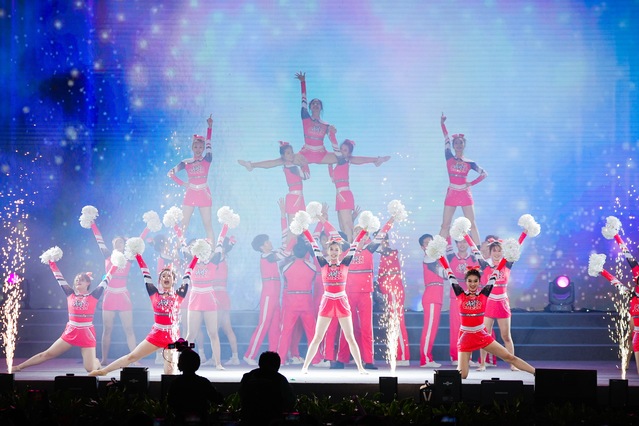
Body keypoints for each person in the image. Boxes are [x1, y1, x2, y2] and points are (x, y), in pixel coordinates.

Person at [89, 242, 196, 376]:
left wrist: (196, 257)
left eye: (169, 276)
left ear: (174, 280)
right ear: (159, 281)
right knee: (132, 357)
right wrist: (138, 256)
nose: (166, 277)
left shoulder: (179, 295)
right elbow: (145, 272)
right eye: (163, 276)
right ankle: (103, 371)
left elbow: (188, 274)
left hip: (172, 336)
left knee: (170, 374)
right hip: (156, 334)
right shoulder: (154, 293)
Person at [14, 249, 121, 372]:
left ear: (88, 283)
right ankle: (19, 367)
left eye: (81, 280)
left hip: (87, 333)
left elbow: (106, 280)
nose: (78, 281)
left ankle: (95, 362)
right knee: (47, 354)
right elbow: (59, 277)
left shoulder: (94, 295)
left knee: (90, 369)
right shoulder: (70, 293)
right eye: (76, 280)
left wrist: (115, 265)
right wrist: (51, 262)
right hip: (71, 331)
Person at [299, 218, 368, 374]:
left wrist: (364, 230)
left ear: (340, 251)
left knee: (350, 337)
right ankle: (305, 367)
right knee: (318, 337)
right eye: (332, 250)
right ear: (328, 251)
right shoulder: (323, 263)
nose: (334, 252)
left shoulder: (345, 263)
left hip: (342, 301)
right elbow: (314, 245)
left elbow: (354, 245)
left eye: (337, 250)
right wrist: (305, 230)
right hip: (328, 301)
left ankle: (360, 367)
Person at [444, 267, 535, 379]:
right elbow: (449, 272)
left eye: (475, 281)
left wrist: (506, 258)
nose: (472, 284)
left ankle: (537, 373)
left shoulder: (484, 294)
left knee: (509, 357)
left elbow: (496, 273)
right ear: (466, 282)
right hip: (465, 337)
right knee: (462, 375)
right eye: (470, 281)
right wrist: (440, 258)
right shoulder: (460, 295)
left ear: (479, 282)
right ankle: (443, 380)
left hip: (481, 335)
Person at [243, 201, 292, 365]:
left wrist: (283, 216)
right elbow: (286, 251)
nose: (270, 243)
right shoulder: (267, 256)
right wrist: (293, 240)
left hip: (276, 293)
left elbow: (284, 244)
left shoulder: (273, 253)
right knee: (263, 324)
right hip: (269, 293)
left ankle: (275, 356)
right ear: (261, 247)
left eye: (269, 241)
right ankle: (249, 355)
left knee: (275, 326)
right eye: (267, 242)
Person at [438, 113, 487, 246]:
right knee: (445, 225)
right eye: (456, 143)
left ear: (464, 145)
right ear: (453, 146)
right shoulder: (449, 156)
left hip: (465, 194)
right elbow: (446, 138)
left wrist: (471, 183)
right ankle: (437, 251)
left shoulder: (470, 162)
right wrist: (442, 124)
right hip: (452, 193)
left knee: (472, 224)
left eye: (461, 143)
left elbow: (484, 174)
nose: (459, 145)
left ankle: (479, 252)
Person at [327, 139, 390, 241]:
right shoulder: (338, 164)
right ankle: (350, 244)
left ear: (349, 153)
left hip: (345, 195)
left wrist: (376, 159)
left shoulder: (347, 161)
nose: (342, 152)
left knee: (347, 226)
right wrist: (329, 165)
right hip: (338, 195)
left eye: (345, 150)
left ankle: (351, 248)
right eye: (341, 149)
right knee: (343, 227)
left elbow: (361, 159)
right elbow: (333, 179)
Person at [167, 115, 215, 242]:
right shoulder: (186, 162)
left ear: (204, 148)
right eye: (196, 147)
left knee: (208, 225)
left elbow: (209, 142)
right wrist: (183, 184)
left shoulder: (207, 159)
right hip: (191, 193)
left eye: (201, 147)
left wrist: (210, 127)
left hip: (204, 193)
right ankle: (179, 249)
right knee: (184, 225)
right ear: (192, 148)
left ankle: (213, 251)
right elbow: (170, 173)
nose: (198, 150)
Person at [238, 142, 311, 225]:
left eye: (292, 152)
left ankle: (250, 165)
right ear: (283, 156)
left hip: (298, 196)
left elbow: (271, 163)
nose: (291, 155)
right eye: (288, 153)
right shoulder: (293, 167)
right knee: (294, 227)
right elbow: (307, 176)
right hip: (295, 197)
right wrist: (304, 164)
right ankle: (250, 165)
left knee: (301, 226)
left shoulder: (288, 164)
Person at [276, 236, 318, 365]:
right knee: (312, 332)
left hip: (291, 303)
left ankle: (281, 359)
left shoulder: (285, 267)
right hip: (306, 302)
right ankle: (316, 359)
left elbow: (286, 281)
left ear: (293, 252)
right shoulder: (312, 267)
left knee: (285, 332)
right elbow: (312, 280)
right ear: (306, 252)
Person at [477, 239, 516, 371]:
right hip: (489, 303)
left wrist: (525, 232)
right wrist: (464, 233)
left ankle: (513, 364)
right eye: (494, 250)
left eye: (499, 251)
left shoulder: (507, 264)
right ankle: (482, 364)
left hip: (503, 303)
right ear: (490, 252)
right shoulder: (485, 266)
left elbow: (517, 246)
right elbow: (473, 248)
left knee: (506, 336)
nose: (497, 253)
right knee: (485, 335)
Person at [185, 241, 224, 370]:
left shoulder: (212, 263)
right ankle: (182, 362)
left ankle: (218, 363)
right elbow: (183, 246)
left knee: (213, 332)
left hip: (209, 299)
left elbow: (219, 244)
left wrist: (225, 228)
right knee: (191, 334)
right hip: (195, 299)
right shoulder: (191, 263)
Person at [167, 348, 224, 425]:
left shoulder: (176, 383)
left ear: (180, 364)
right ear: (197, 364)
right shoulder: (203, 382)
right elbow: (217, 399)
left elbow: (170, 402)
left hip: (180, 420)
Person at [378, 233, 410, 366]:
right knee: (394, 321)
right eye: (379, 239)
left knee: (397, 321)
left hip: (394, 289)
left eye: (383, 239)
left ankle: (403, 356)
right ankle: (399, 354)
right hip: (389, 291)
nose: (382, 242)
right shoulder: (382, 254)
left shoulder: (390, 252)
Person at [447, 238, 480, 366]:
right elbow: (446, 236)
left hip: (469, 297)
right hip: (455, 296)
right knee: (456, 327)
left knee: (468, 328)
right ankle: (455, 357)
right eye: (459, 242)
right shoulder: (451, 256)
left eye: (464, 242)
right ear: (456, 244)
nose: (462, 244)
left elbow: (475, 242)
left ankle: (467, 357)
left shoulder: (473, 258)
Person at [295, 71, 339, 165]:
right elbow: (303, 99)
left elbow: (332, 136)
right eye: (313, 103)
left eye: (318, 103)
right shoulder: (305, 118)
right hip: (305, 153)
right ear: (310, 107)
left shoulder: (326, 125)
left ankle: (375, 160)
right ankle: (304, 169)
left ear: (321, 107)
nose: (315, 104)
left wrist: (333, 130)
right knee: (286, 160)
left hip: (321, 154)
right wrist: (303, 82)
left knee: (345, 158)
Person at [239, 351, 295, 426]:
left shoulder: (248, 377)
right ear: (277, 365)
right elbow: (289, 400)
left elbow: (241, 395)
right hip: (273, 420)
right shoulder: (280, 379)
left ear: (259, 363)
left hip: (248, 419)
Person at [418, 234, 444, 368]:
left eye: (431, 241)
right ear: (423, 247)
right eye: (426, 243)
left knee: (432, 329)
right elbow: (444, 274)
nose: (430, 244)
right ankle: (425, 359)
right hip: (431, 296)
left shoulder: (435, 258)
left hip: (436, 296)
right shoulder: (429, 258)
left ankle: (427, 357)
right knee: (429, 329)